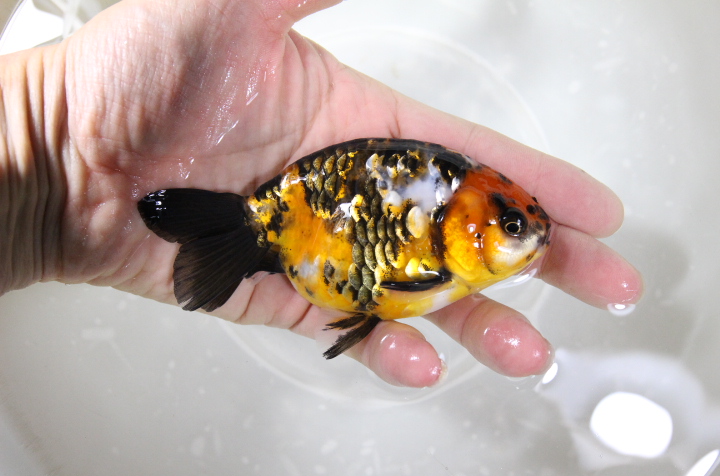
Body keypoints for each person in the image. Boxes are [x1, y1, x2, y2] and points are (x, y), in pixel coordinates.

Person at [0, 0, 641, 388]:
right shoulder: (432, 252)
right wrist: (59, 146)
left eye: (515, 227)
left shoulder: (444, 243)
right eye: (512, 228)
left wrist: (57, 163)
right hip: (308, 219)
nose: (525, 239)